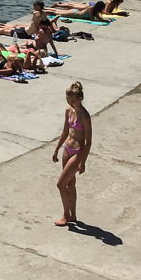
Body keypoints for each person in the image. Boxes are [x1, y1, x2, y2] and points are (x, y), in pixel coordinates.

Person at [51, 82, 91, 226]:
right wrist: (56, 149)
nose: (70, 103)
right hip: (67, 149)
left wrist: (83, 161)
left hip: (77, 152)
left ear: (79, 98)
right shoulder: (68, 110)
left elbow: (88, 141)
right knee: (70, 183)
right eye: (68, 100)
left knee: (61, 184)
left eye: (72, 100)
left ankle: (65, 214)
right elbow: (65, 132)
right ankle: (72, 215)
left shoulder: (85, 116)